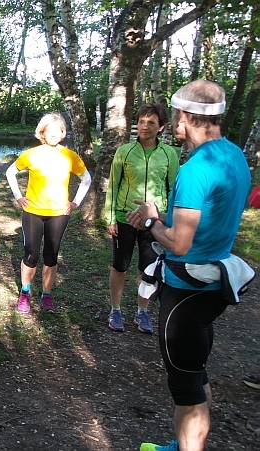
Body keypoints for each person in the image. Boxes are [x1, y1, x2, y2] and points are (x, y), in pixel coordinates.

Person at [127, 80, 252, 451]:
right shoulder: (233, 155)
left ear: (183, 116)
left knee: (185, 386)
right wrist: (163, 215)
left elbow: (179, 242)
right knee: (195, 371)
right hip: (213, 283)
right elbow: (207, 219)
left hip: (186, 288)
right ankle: (184, 445)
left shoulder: (195, 168)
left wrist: (151, 221)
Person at [103, 104, 179, 333]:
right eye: (142, 122)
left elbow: (174, 189)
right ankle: (115, 310)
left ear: (161, 127)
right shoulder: (124, 151)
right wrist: (110, 218)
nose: (144, 127)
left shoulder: (169, 154)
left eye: (151, 123)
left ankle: (141, 312)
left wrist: (169, 218)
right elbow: (113, 185)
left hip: (153, 220)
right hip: (125, 217)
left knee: (147, 269)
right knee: (120, 266)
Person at [5, 112, 91, 313]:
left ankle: (47, 295)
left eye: (58, 130)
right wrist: (18, 197)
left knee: (51, 255)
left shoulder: (70, 156)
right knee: (31, 255)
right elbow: (10, 172)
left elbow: (86, 178)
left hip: (59, 213)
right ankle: (25, 292)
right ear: (42, 133)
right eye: (49, 130)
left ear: (63, 134)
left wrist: (76, 202)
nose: (54, 134)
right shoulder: (32, 154)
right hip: (33, 211)